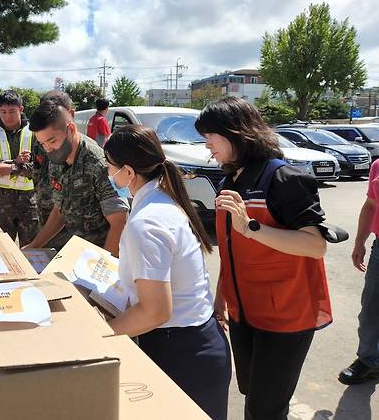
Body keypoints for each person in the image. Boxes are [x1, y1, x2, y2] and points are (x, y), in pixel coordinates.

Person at [195, 97, 332, 420]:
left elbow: (315, 246)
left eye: (210, 137)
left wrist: (250, 227)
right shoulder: (233, 180)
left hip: (286, 316)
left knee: (264, 409)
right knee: (253, 395)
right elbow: (231, 249)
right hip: (246, 312)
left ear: (236, 132)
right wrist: (220, 299)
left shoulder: (285, 178)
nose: (207, 146)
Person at [105, 125, 231, 420]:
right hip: (195, 345)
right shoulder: (161, 202)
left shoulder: (146, 222)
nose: (108, 176)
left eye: (109, 168)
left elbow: (155, 311)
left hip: (182, 355)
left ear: (128, 172)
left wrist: (99, 334)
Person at [24, 99, 128, 255]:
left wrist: (105, 268)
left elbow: (120, 222)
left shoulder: (100, 164)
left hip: (99, 255)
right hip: (74, 254)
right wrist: (35, 245)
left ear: (71, 129)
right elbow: (60, 209)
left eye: (51, 141)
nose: (48, 149)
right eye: (43, 143)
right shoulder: (58, 157)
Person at [0, 90, 38, 245]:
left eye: (12, 111)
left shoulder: (35, 133)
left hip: (30, 202)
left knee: (32, 250)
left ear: (21, 109)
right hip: (1, 202)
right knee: (0, 247)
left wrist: (7, 167)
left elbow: (41, 168)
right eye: (3, 112)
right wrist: (16, 164)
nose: (7, 116)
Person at [338, 158, 379, 384]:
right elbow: (371, 205)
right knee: (371, 310)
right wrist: (359, 242)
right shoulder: (377, 166)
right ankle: (369, 361)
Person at [31, 90, 74, 250]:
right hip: (44, 217)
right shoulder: (39, 142)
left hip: (67, 230)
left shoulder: (74, 151)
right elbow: (37, 174)